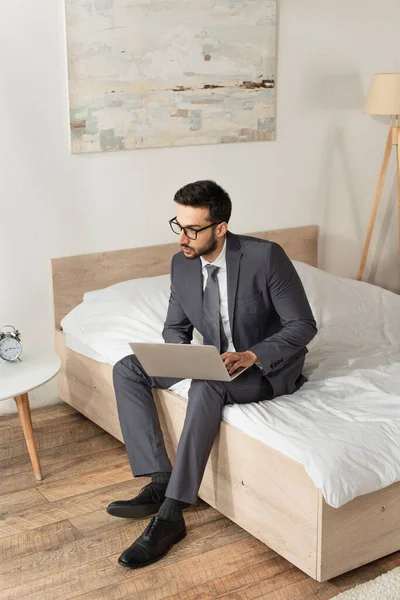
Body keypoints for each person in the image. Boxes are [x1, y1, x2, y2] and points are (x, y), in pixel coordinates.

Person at [108, 180, 317, 569]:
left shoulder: (265, 257)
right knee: (128, 369)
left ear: (220, 228)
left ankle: (171, 515)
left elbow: (303, 325)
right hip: (213, 359)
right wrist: (178, 356)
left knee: (208, 383)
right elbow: (176, 327)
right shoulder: (181, 264)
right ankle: (159, 478)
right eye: (178, 225)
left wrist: (252, 354)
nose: (182, 238)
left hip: (264, 367)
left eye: (193, 229)